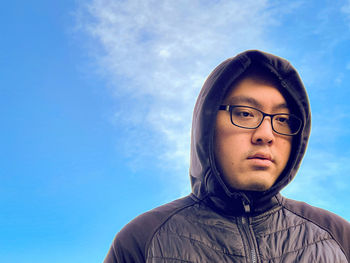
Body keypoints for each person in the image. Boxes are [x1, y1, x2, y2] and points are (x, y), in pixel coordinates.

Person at [104, 50, 350, 262]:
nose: (266, 135)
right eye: (244, 113)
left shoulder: (337, 236)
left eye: (283, 120)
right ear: (207, 125)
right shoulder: (143, 238)